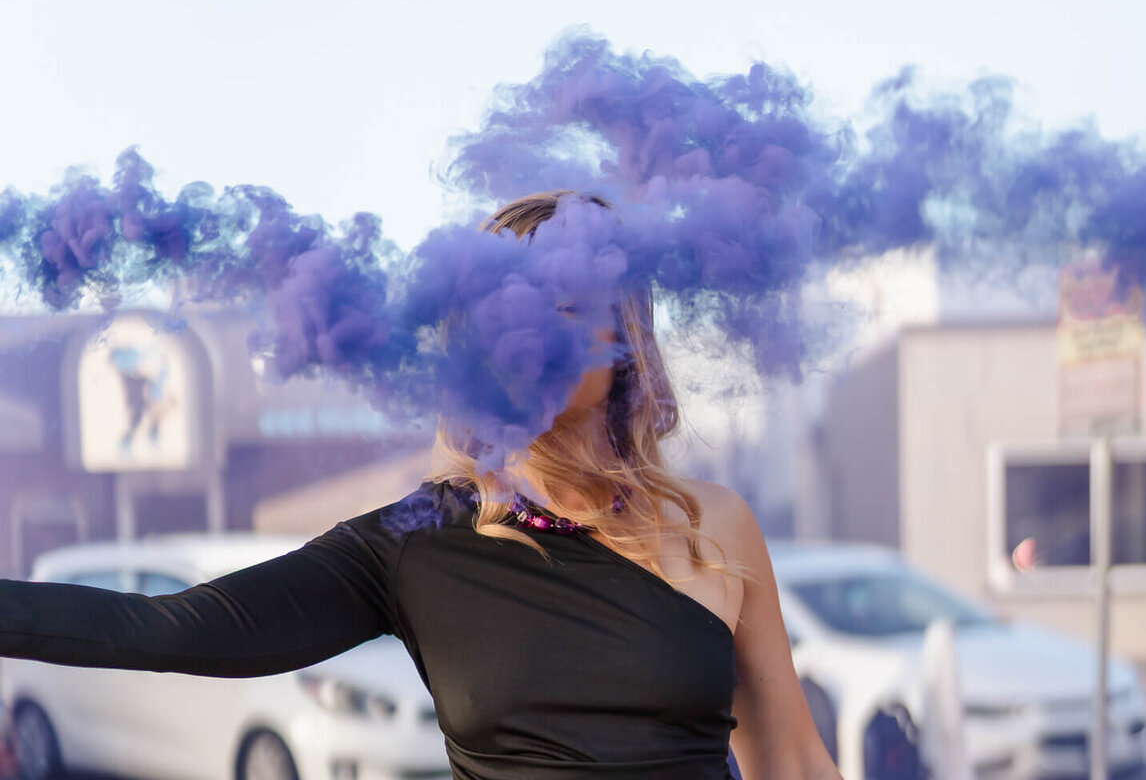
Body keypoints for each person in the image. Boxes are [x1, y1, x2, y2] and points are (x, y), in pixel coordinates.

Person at [0, 192, 842, 780]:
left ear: (623, 333)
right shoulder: (420, 537)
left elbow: (796, 762)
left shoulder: (713, 525)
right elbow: (165, 629)